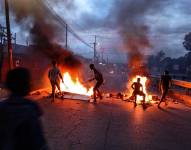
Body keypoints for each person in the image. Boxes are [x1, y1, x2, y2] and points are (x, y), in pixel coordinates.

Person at [0, 67, 48, 150]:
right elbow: (38, 142)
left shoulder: (2, 106)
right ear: (25, 85)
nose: (31, 83)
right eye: (29, 81)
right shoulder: (31, 108)